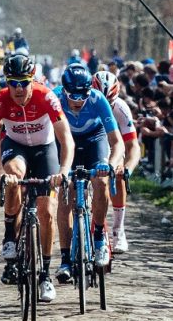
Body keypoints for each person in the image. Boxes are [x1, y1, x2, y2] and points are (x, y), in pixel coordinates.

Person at [0, 53, 73, 303]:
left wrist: (63, 171)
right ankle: (10, 235)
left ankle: (44, 275)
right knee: (14, 176)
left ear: (32, 80)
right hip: (15, 147)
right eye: (13, 82)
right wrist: (0, 175)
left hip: (45, 149)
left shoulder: (47, 97)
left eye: (24, 82)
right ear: (6, 82)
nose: (19, 88)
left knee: (46, 212)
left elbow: (66, 140)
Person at [53, 63, 124, 283]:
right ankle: (65, 259)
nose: (77, 101)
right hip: (65, 141)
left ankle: (99, 237)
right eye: (72, 96)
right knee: (67, 196)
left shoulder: (97, 99)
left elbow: (117, 142)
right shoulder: (55, 98)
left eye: (82, 96)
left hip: (95, 139)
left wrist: (111, 164)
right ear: (64, 91)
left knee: (101, 181)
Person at [94, 70, 140, 254]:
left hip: (113, 145)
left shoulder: (121, 108)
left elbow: (133, 145)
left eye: (109, 102)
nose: (105, 106)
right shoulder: (82, 103)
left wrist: (127, 168)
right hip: (91, 144)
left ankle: (118, 231)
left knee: (119, 175)